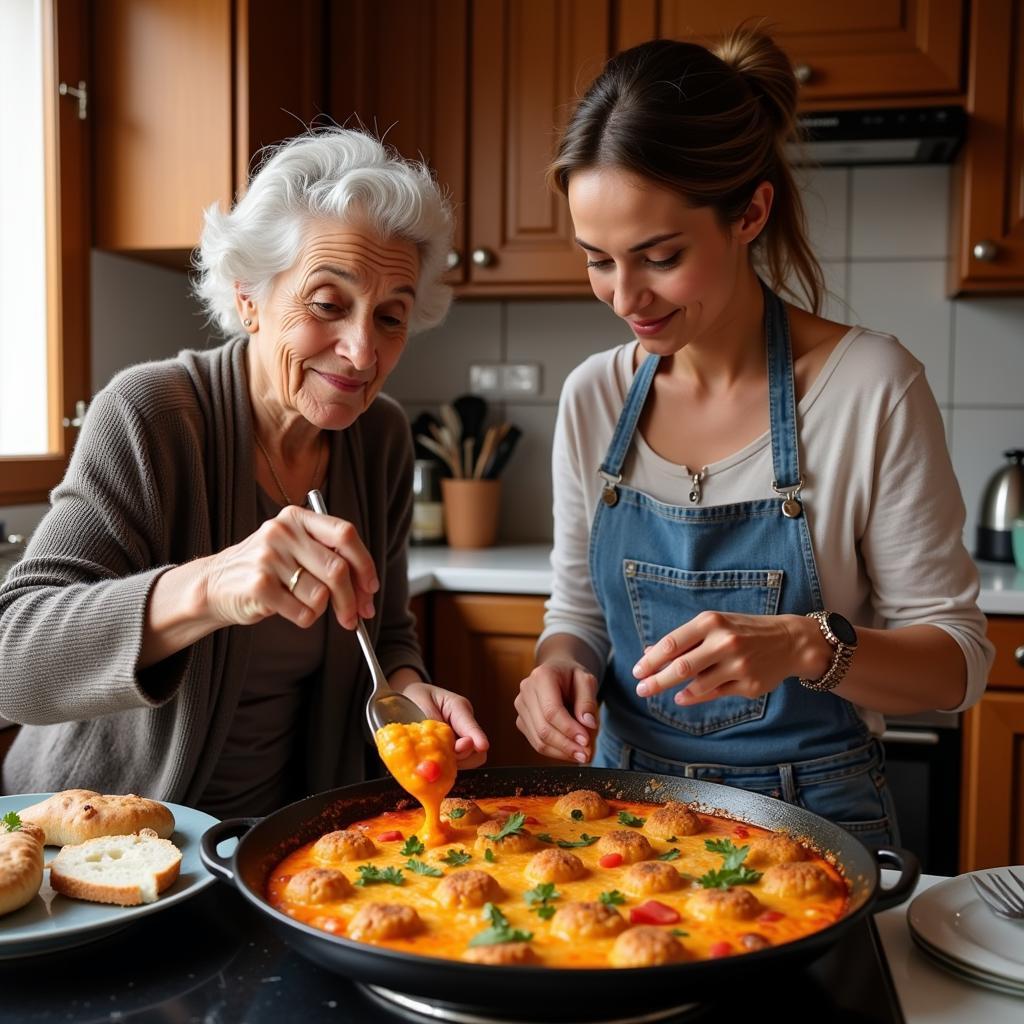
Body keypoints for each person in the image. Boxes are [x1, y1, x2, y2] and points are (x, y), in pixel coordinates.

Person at [513, 30, 993, 849]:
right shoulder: (596, 394)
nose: (625, 297)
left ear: (751, 213)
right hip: (618, 817)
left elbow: (956, 664)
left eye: (659, 256)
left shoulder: (870, 386)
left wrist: (811, 645)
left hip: (815, 820)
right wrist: (558, 666)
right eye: (598, 260)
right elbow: (579, 613)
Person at [0, 128, 488, 817]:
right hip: (103, 843)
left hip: (277, 845)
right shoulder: (151, 416)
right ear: (250, 297)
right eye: (327, 304)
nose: (361, 351)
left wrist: (409, 694)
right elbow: (10, 657)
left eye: (390, 317)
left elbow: (386, 632)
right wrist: (209, 586)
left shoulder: (379, 438)